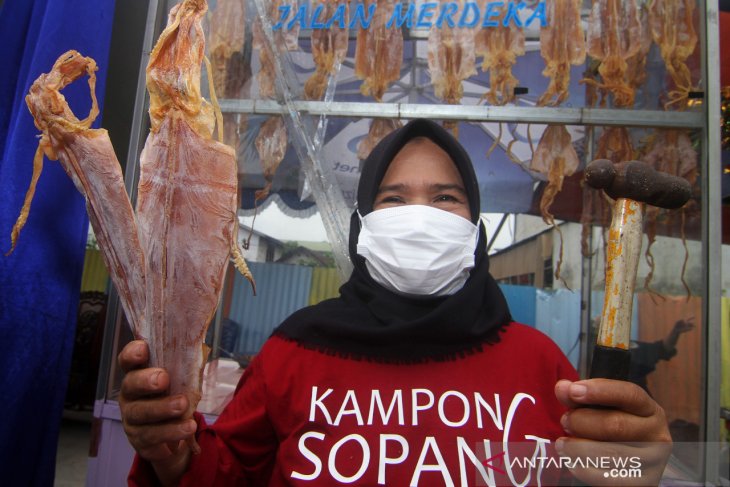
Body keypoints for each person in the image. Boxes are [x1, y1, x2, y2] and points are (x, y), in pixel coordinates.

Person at [120, 119, 671, 486]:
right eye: (393, 198)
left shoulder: (540, 364)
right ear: (363, 225)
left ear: (475, 229)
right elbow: (229, 475)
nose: (419, 215)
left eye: (445, 198)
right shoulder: (295, 349)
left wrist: (630, 465)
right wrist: (173, 455)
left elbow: (592, 469)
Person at [630, 319, 695, 394]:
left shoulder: (634, 346)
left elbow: (662, 349)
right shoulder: (617, 349)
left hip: (642, 398)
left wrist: (675, 332)